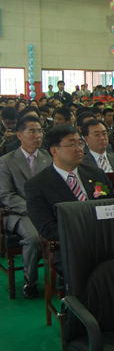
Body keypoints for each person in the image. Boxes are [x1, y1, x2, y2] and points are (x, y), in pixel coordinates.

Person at [25, 125, 114, 272]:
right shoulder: (37, 185)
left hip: (106, 241)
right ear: (54, 150)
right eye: (72, 144)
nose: (79, 148)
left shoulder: (96, 174)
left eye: (80, 143)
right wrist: (88, 233)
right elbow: (48, 229)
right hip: (71, 248)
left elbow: (112, 206)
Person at [0, 116, 50, 299]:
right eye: (32, 131)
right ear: (19, 135)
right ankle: (31, 283)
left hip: (46, 210)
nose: (38, 135)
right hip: (18, 213)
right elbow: (6, 195)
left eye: (40, 131)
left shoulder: (48, 157)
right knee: (34, 238)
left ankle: (60, 280)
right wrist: (32, 208)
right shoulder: (7, 160)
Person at [81, 119, 114, 192]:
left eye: (104, 134)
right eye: (97, 135)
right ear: (86, 139)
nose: (102, 138)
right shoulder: (82, 164)